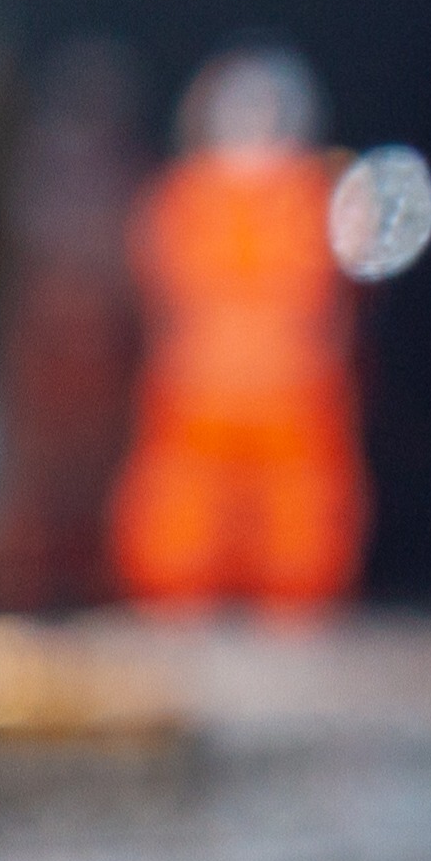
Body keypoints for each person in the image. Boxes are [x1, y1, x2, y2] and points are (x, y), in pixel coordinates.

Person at [111, 44, 373, 617]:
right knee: (182, 510)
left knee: (300, 512)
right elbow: (156, 285)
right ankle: (176, 612)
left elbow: (339, 292)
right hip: (197, 391)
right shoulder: (183, 197)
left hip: (292, 393)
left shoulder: (312, 196)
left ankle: (295, 613)